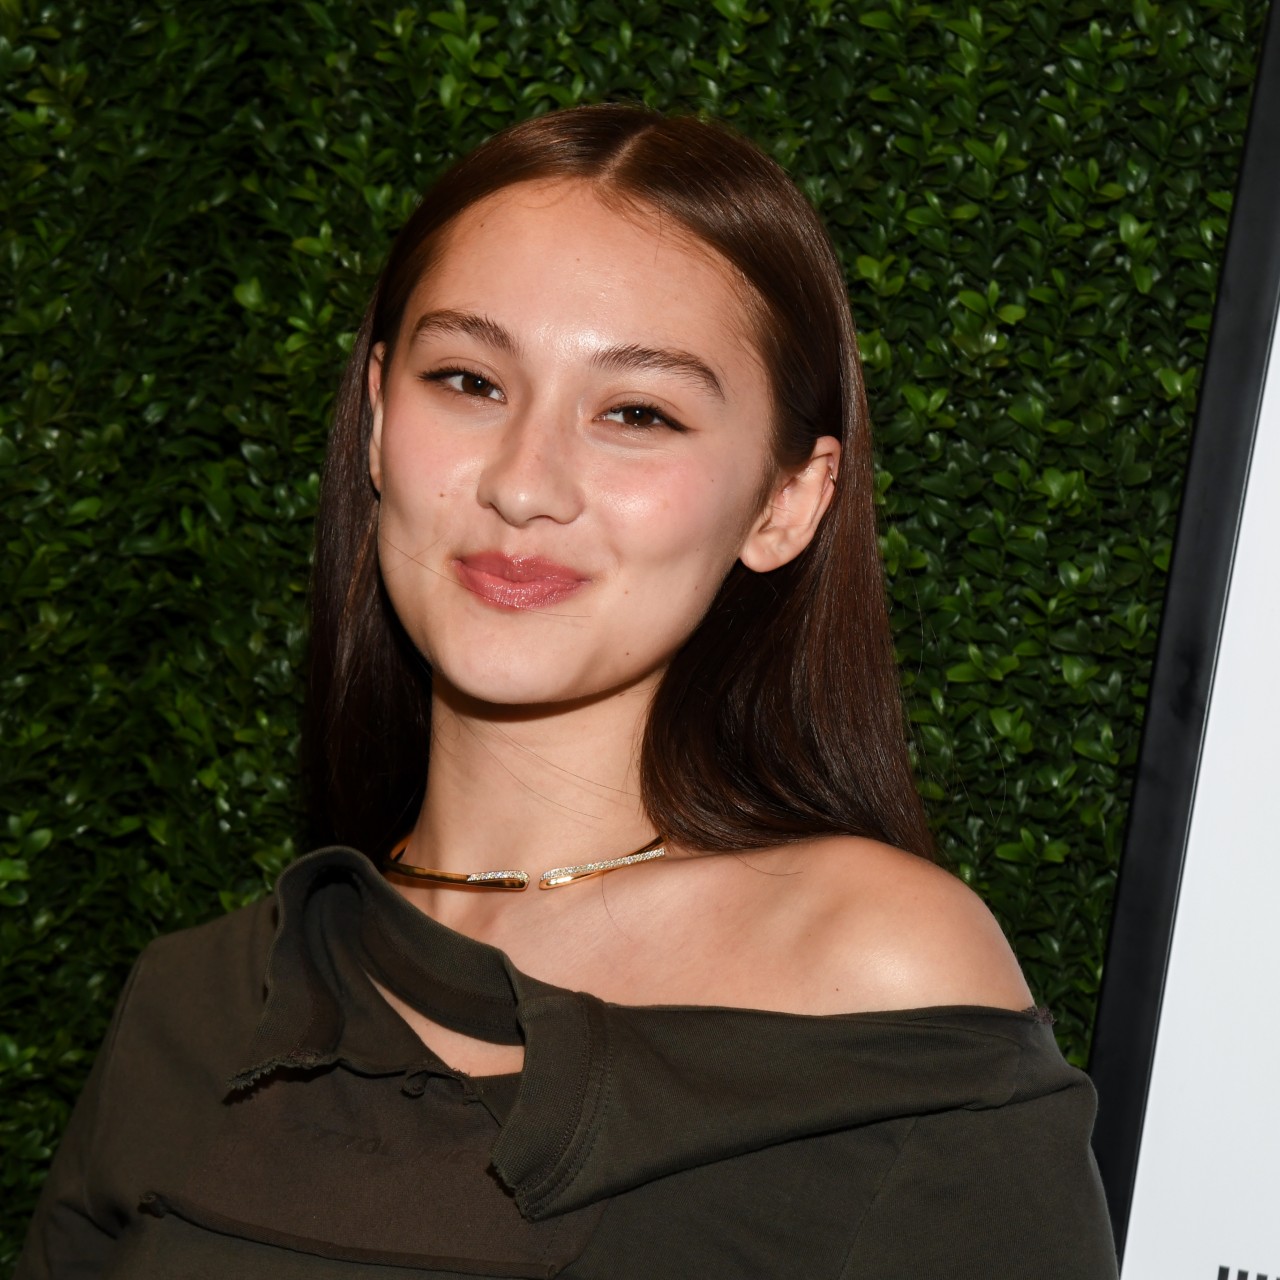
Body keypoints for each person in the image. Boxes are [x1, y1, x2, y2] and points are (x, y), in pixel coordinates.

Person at [18, 105, 1119, 1278]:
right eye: (468, 379)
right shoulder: (198, 1002)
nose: (523, 482)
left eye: (636, 411)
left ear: (785, 501)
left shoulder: (880, 977)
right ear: (380, 420)